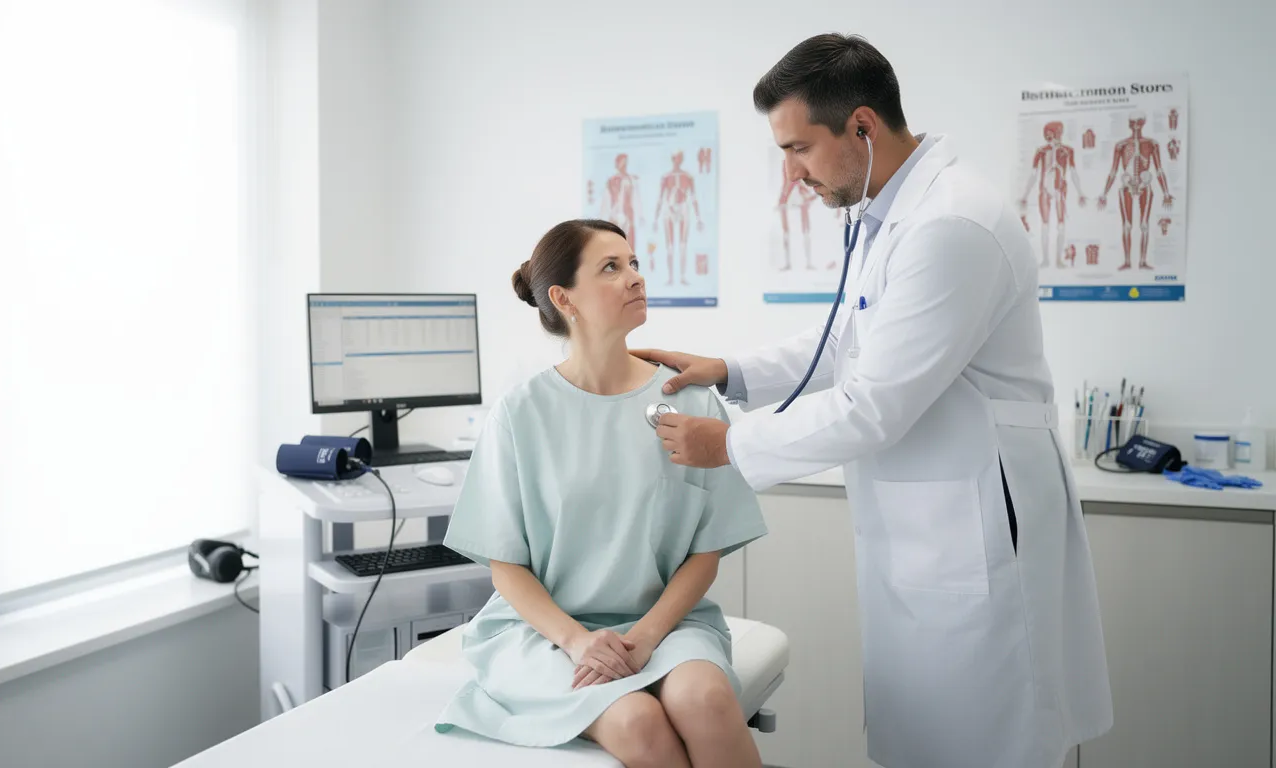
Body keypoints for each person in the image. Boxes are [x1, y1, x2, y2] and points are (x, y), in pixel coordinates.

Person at [634, 33, 1113, 768]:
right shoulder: (888, 215)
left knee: (984, 742)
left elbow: (873, 403)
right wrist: (728, 370)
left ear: (861, 125)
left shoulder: (949, 225)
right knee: (929, 738)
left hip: (977, 532)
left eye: (799, 149)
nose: (791, 175)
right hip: (933, 526)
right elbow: (845, 344)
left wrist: (728, 446)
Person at [433, 219, 768, 768]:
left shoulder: (688, 400)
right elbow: (506, 565)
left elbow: (705, 552)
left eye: (634, 263)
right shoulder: (521, 413)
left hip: (666, 622)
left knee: (703, 699)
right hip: (543, 631)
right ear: (564, 298)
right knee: (637, 720)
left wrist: (644, 636)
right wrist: (575, 641)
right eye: (612, 267)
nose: (634, 277)